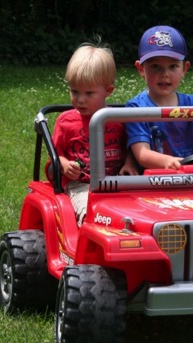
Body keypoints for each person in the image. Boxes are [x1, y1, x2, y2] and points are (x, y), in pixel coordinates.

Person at [51, 43, 138, 226]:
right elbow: (55, 155)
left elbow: (132, 146)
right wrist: (66, 165)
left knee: (136, 216)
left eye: (89, 93)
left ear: (108, 91)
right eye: (74, 91)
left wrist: (129, 163)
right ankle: (88, 251)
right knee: (90, 214)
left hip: (117, 183)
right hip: (82, 185)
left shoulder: (117, 119)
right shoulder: (66, 122)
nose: (80, 99)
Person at [125, 25, 193, 171]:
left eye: (173, 66)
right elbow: (142, 154)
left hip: (192, 180)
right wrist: (170, 162)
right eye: (155, 66)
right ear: (141, 69)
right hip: (151, 184)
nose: (165, 74)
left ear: (184, 69)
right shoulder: (136, 108)